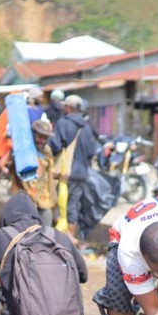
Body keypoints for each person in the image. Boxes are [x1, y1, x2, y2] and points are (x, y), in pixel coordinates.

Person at [49, 95, 97, 241]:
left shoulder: (63, 123)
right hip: (81, 173)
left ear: (68, 107)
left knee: (57, 203)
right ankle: (70, 239)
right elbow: (91, 152)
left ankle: (57, 238)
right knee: (73, 206)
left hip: (64, 172)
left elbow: (55, 146)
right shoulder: (87, 127)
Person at [10, 120, 57, 226]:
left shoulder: (47, 151)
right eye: (40, 137)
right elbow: (13, 171)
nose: (42, 141)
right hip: (24, 200)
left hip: (43, 199)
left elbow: (50, 171)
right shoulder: (22, 150)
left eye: (45, 138)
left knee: (45, 233)